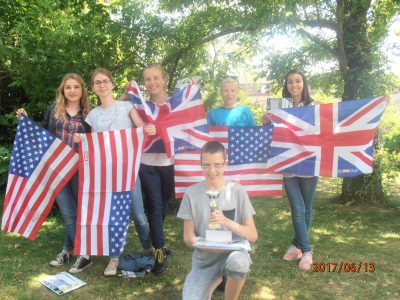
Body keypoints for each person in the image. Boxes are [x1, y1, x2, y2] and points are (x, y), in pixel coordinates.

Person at [16, 73, 93, 273]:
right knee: (68, 211)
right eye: (68, 87)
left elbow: (97, 142)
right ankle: (73, 251)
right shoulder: (53, 109)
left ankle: (79, 252)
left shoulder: (89, 113)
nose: (72, 90)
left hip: (79, 169)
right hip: (56, 169)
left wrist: (84, 140)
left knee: (80, 211)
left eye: (76, 87)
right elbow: (43, 134)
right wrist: (26, 121)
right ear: (63, 90)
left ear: (82, 90)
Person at [85, 68, 156, 276]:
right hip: (106, 174)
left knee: (138, 215)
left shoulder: (127, 106)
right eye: (97, 82)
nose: (102, 85)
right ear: (93, 88)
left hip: (128, 170)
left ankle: (147, 247)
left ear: (112, 84)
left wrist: (149, 130)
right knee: (113, 216)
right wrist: (83, 141)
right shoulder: (92, 115)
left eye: (105, 81)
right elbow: (93, 145)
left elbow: (142, 129)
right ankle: (114, 257)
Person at [177, 141, 258, 300]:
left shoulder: (237, 191)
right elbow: (188, 237)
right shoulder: (191, 194)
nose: (212, 171)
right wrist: (208, 245)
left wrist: (227, 222)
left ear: (225, 164)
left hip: (233, 253)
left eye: (217, 164)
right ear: (200, 165)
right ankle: (216, 278)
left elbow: (253, 235)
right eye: (206, 165)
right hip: (204, 261)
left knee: (239, 262)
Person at [263, 68, 318, 270]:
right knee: (297, 208)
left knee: (306, 208)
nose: (294, 85)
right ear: (286, 86)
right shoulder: (280, 107)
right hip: (288, 164)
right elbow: (275, 136)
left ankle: (297, 246)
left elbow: (319, 131)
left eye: (297, 81)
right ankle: (307, 251)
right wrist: (267, 123)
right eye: (290, 82)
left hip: (308, 164)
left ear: (304, 83)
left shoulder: (313, 106)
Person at [138, 64, 175, 275]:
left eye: (156, 78)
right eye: (148, 79)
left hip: (168, 163)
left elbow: (185, 125)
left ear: (163, 79)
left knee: (162, 206)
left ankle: (156, 243)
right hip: (147, 163)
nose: (152, 83)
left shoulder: (177, 105)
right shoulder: (142, 107)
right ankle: (159, 254)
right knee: (154, 206)